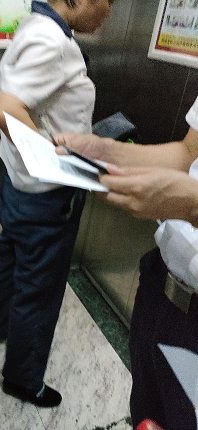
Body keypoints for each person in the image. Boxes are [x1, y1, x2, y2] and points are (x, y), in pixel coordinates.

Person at [0, 0, 113, 407]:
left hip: (17, 181)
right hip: (45, 195)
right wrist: (57, 160)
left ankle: (0, 325)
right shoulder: (51, 40)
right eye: (108, 1)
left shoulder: (37, 25)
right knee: (39, 287)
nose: (108, 11)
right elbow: (5, 109)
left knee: (11, 254)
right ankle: (23, 380)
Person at [56, 96, 198, 429]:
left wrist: (193, 207)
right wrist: (109, 151)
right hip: (161, 285)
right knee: (147, 408)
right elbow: (188, 152)